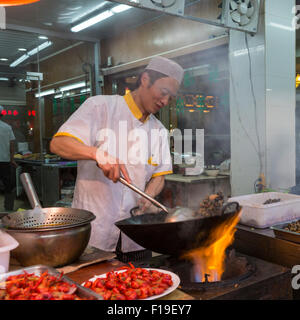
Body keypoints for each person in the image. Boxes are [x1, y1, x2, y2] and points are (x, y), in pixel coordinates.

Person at [50, 56, 184, 262]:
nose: (165, 102)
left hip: (137, 236)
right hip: (95, 233)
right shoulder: (100, 107)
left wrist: (148, 196)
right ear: (145, 79)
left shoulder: (159, 130)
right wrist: (97, 153)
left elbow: (159, 176)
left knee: (141, 288)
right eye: (163, 93)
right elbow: (58, 143)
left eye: (170, 98)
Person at [0, 106, 17, 212]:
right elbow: (12, 145)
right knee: (8, 186)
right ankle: (8, 209)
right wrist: (12, 159)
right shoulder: (7, 127)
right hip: (5, 162)